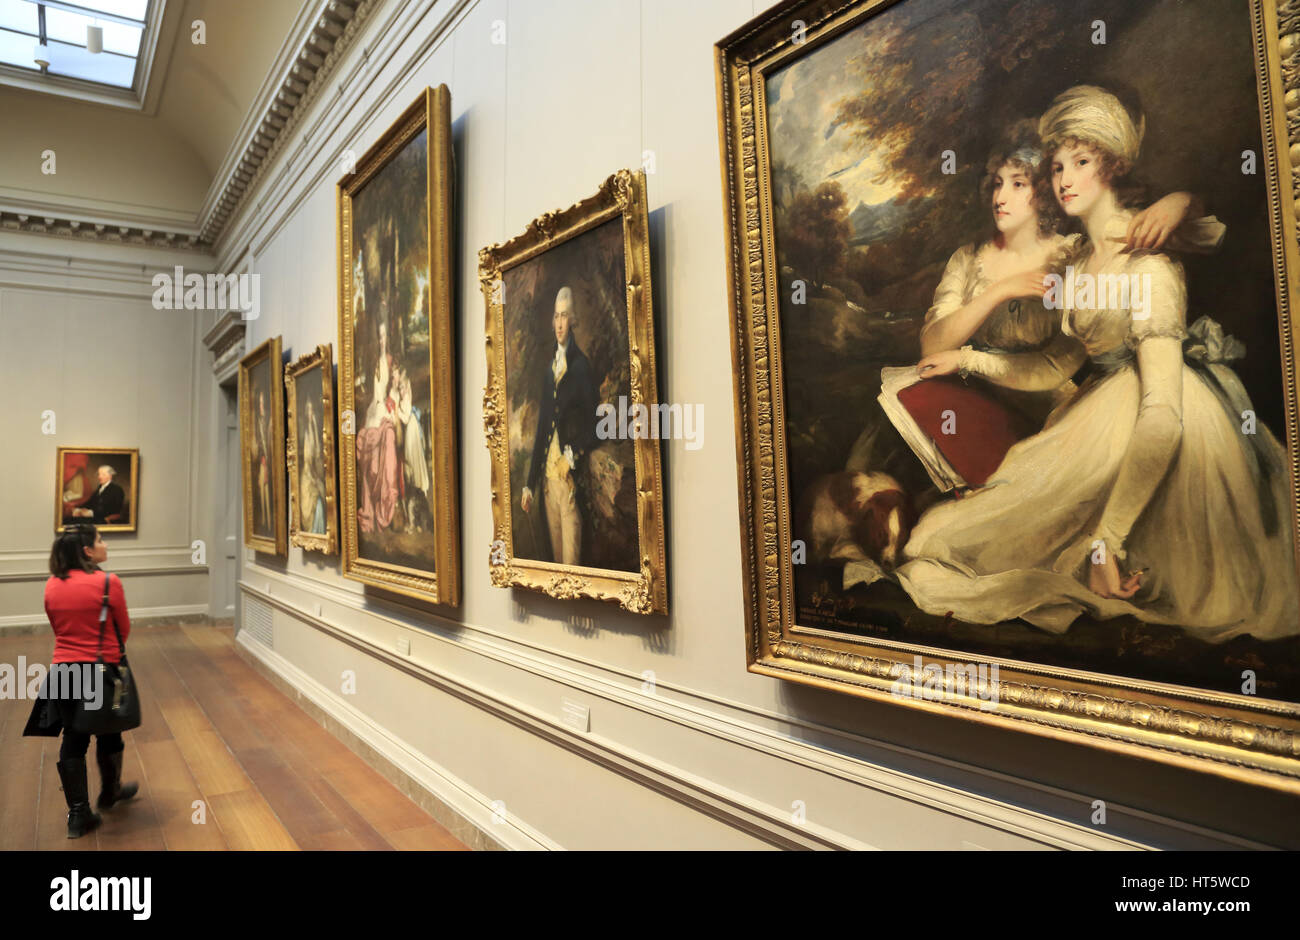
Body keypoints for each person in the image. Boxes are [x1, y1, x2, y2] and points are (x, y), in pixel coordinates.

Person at [895, 85, 1299, 641]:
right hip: (1097, 415)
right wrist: (968, 359)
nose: (1063, 178)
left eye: (1080, 163)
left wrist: (1108, 539)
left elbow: (1162, 414)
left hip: (1165, 425)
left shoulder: (1148, 264)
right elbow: (1053, 367)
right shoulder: (1077, 266)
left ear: (1111, 168)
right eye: (1057, 166)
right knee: (945, 538)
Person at [916, 122, 1217, 427]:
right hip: (972, 387)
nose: (1000, 198)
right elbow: (932, 348)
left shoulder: (1072, 257)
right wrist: (1000, 291)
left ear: (1043, 192)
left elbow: (1058, 363)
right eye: (997, 183)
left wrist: (1182, 200)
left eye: (1017, 184)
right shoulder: (968, 258)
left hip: (1040, 403)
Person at [23, 524, 139, 838]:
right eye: (100, 540)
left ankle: (78, 814)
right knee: (110, 731)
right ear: (87, 550)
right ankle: (110, 792)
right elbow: (123, 628)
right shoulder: (107, 582)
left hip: (63, 670)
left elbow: (58, 627)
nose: (104, 544)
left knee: (73, 739)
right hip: (103, 670)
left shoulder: (51, 585)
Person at [520, 286, 599, 565]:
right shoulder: (548, 371)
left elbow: (596, 423)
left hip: (569, 487)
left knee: (572, 571)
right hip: (548, 487)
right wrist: (529, 485)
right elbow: (543, 428)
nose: (559, 323)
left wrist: (571, 455)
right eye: (556, 316)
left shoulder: (581, 367)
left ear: (573, 319)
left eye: (565, 316)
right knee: (554, 570)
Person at [300, 400, 327, 534]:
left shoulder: (314, 430)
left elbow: (317, 455)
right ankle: (315, 532)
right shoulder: (305, 434)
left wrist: (316, 426)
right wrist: (314, 479)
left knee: (321, 498)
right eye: (308, 410)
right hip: (307, 477)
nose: (311, 413)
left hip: (315, 474)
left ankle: (319, 532)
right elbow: (307, 461)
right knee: (316, 504)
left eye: (312, 410)